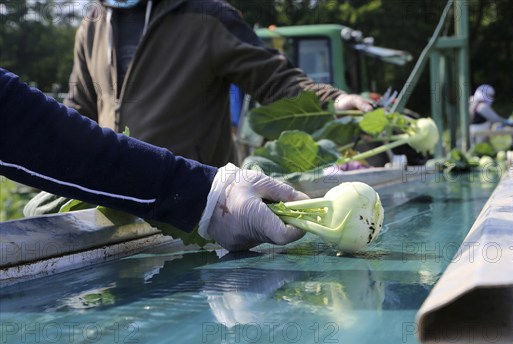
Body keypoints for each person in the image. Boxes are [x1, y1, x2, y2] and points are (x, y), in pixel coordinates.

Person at [0, 69, 308, 251]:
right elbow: (55, 119)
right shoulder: (92, 25)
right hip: (151, 193)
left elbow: (267, 70)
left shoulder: (205, 15)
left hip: (173, 194)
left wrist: (202, 192)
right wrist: (200, 193)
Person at [66, 0, 373, 166]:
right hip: (117, 201)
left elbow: (274, 79)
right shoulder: (91, 25)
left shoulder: (206, 16)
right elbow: (79, 107)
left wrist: (330, 101)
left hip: (196, 206)